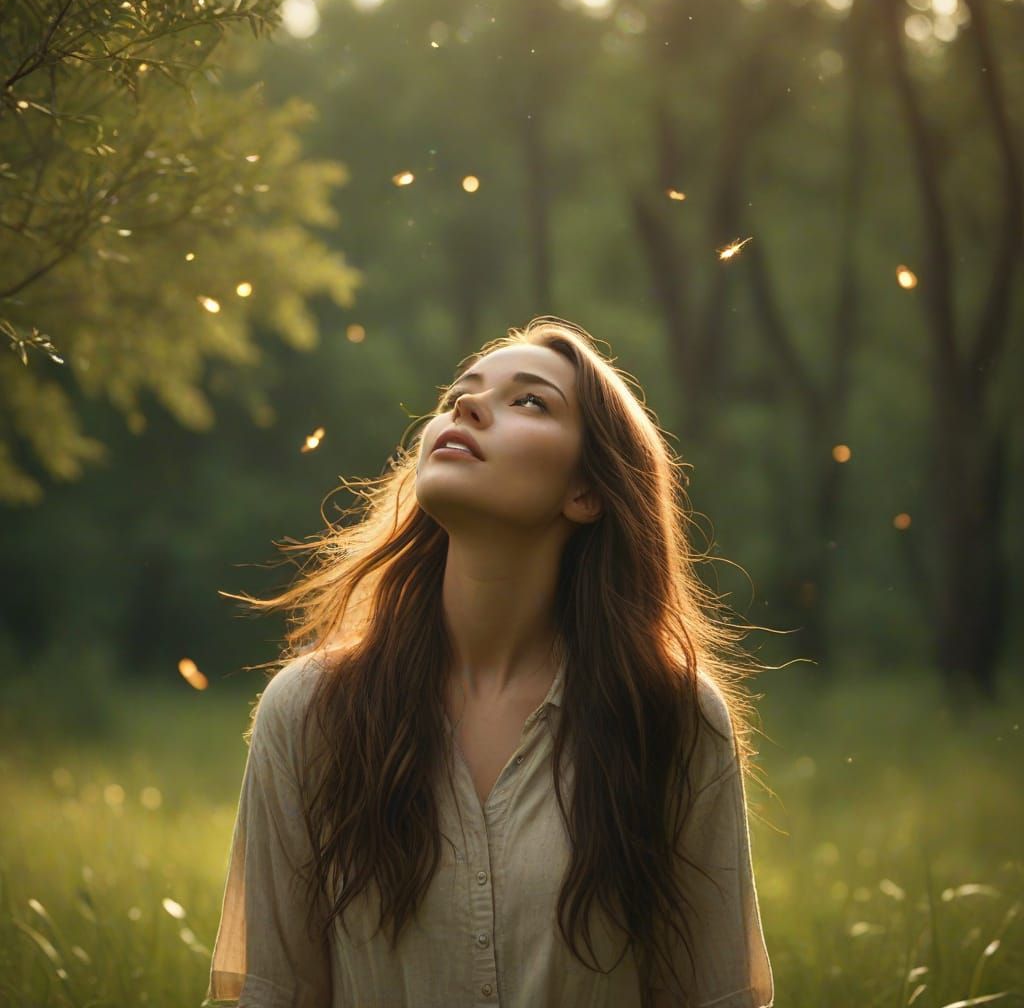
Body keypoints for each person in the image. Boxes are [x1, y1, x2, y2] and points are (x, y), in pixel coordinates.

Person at [203, 316, 775, 1008]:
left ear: (586, 493)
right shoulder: (308, 711)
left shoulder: (673, 718)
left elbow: (713, 999)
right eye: (458, 395)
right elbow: (276, 995)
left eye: (529, 401)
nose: (466, 407)